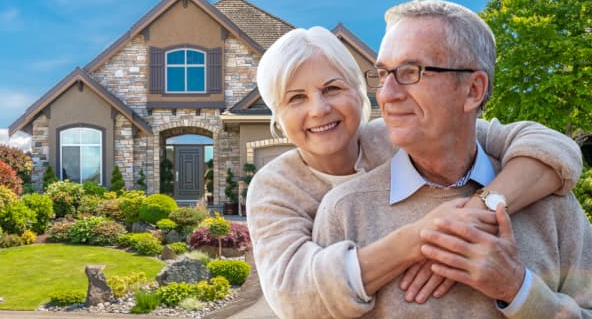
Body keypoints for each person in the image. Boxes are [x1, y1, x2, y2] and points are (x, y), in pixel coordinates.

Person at [246, 25, 583, 319]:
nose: (318, 109)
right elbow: (293, 295)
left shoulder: (399, 136)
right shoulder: (275, 188)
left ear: (359, 92)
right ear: (277, 115)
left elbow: (549, 147)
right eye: (295, 98)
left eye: (332, 89)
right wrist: (422, 238)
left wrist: (481, 208)